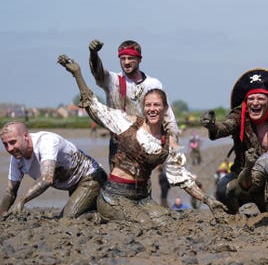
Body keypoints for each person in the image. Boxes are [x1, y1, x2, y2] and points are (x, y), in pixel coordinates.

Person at [58, 55, 224, 226]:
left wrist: (208, 200)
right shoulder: (128, 124)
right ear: (144, 108)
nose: (152, 109)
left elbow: (181, 178)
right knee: (144, 223)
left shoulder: (168, 143)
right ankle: (96, 215)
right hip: (114, 195)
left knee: (165, 222)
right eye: (148, 105)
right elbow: (95, 107)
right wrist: (77, 74)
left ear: (165, 108)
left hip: (142, 197)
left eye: (156, 105)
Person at [201, 68, 268, 214]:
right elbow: (224, 127)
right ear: (246, 101)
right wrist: (212, 125)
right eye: (251, 98)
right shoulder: (239, 116)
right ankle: (232, 216)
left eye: (260, 98)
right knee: (223, 188)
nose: (255, 103)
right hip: (243, 174)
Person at [88, 39, 180, 170]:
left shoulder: (153, 84)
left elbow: (167, 117)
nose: (126, 62)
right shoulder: (113, 80)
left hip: (145, 141)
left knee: (142, 184)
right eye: (123, 58)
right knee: (118, 184)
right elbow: (98, 72)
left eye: (130, 58)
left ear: (139, 59)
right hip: (118, 143)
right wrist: (93, 54)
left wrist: (173, 147)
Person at [0, 121, 107, 219]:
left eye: (12, 142)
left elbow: (46, 178)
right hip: (73, 186)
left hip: (91, 178)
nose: (9, 148)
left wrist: (22, 200)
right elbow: (10, 191)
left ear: (25, 136)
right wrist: (0, 215)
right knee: (72, 214)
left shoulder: (46, 141)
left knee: (67, 219)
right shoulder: (17, 157)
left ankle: (98, 217)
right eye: (5, 144)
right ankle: (95, 208)